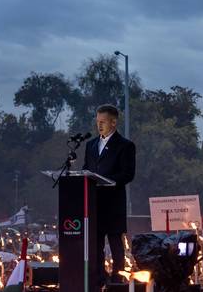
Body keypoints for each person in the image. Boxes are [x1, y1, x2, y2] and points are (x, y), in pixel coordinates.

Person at [82, 104, 136, 288]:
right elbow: (86, 169)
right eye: (97, 122)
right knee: (95, 243)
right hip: (94, 204)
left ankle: (117, 279)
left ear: (113, 122)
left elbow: (128, 174)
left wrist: (106, 180)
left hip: (113, 204)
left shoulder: (125, 146)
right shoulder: (90, 145)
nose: (99, 125)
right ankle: (98, 278)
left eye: (103, 122)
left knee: (115, 243)